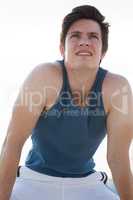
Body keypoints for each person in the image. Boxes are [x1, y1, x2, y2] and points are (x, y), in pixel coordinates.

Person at [0, 4, 133, 200]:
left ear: (103, 52)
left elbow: (117, 158)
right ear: (62, 48)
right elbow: (12, 144)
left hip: (87, 183)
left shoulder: (117, 88)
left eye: (93, 37)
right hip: (34, 179)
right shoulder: (44, 76)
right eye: (75, 36)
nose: (84, 42)